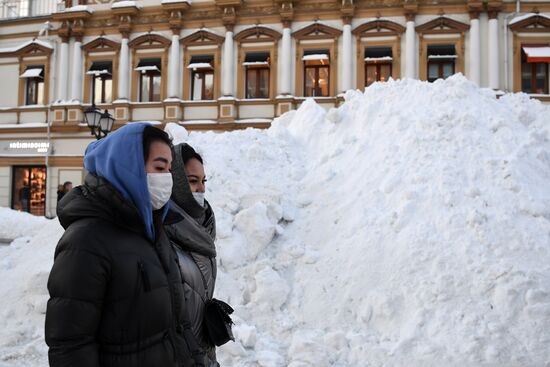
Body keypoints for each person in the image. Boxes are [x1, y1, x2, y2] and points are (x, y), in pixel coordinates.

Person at [45, 123, 203, 367]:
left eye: (170, 170)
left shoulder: (154, 231)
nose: (167, 179)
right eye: (159, 167)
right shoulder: (85, 241)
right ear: (127, 167)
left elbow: (178, 326)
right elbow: (71, 346)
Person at [164, 143, 218, 366]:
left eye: (203, 181)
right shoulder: (161, 232)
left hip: (203, 353)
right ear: (175, 182)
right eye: (193, 181)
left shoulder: (203, 229)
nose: (201, 189)